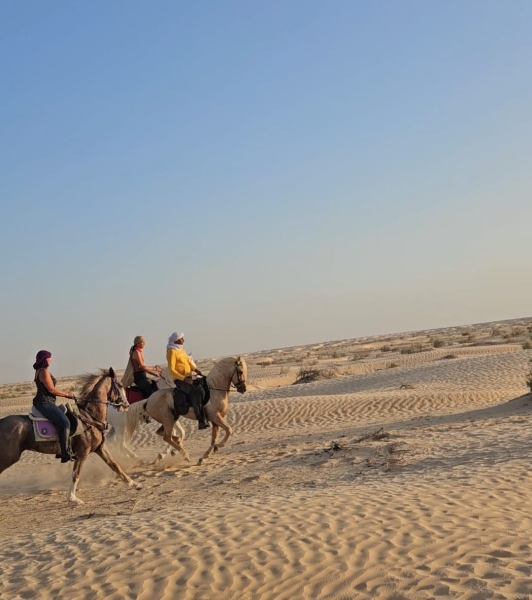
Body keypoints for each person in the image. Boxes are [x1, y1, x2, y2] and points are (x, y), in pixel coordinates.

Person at [32, 350, 76, 463]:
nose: (51, 359)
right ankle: (65, 453)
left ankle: (62, 448)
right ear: (45, 359)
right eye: (50, 357)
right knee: (65, 422)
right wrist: (67, 394)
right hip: (44, 402)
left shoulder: (39, 371)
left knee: (63, 418)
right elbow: (51, 389)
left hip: (46, 402)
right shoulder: (44, 371)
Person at [166, 332, 209, 429]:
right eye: (182, 338)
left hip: (189, 376)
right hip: (179, 379)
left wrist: (195, 369)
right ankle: (201, 420)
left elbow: (187, 363)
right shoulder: (171, 351)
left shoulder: (181, 350)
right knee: (196, 392)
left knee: (205, 385)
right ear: (176, 340)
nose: (183, 340)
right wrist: (183, 378)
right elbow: (171, 370)